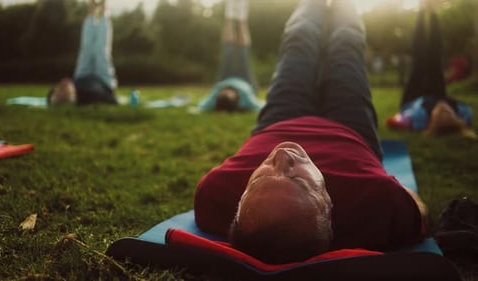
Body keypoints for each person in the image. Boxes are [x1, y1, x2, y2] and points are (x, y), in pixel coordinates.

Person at [194, 0, 428, 265]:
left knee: (298, 40)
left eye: (259, 181)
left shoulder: (213, 194)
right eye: (299, 182)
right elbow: (418, 210)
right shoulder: (379, 202)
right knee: (346, 44)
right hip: (350, 127)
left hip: (278, 119)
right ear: (329, 208)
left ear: (238, 204)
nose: (282, 156)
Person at [386, 1, 475, 138]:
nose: (443, 110)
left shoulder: (418, 119)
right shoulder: (463, 113)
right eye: (448, 114)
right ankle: (433, 13)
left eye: (440, 115)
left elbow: (395, 122)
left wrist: (398, 121)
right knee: (435, 58)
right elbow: (467, 116)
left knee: (419, 61)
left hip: (413, 100)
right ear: (456, 117)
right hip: (437, 93)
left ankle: (421, 12)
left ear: (431, 121)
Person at [48, 0, 118, 106]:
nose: (62, 83)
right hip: (103, 80)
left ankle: (91, 11)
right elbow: (111, 99)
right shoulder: (91, 95)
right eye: (62, 91)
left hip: (81, 75)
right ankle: (103, 11)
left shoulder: (57, 94)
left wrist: (56, 95)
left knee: (86, 47)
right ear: (72, 98)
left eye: (58, 89)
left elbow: (52, 97)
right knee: (100, 50)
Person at [197, 0, 261, 112]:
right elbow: (261, 106)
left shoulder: (214, 98)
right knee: (243, 52)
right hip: (245, 81)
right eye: (228, 94)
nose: (226, 91)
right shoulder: (246, 100)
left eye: (222, 93)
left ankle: (229, 16)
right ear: (237, 99)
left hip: (224, 78)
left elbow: (201, 107)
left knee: (227, 50)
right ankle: (241, 18)